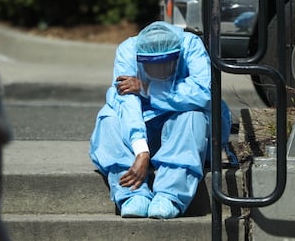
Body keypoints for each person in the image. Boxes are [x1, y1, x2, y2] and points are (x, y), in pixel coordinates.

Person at [89, 21, 236, 219]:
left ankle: (170, 194)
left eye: (165, 63)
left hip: (181, 133)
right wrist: (141, 150)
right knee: (108, 119)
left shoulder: (190, 45)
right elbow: (127, 102)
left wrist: (147, 88)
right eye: (151, 64)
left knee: (193, 115)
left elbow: (204, 93)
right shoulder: (127, 50)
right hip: (145, 130)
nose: (159, 70)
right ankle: (132, 193)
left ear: (177, 55)